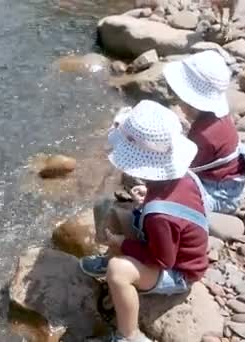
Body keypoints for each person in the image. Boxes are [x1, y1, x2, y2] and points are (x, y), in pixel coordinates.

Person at [80, 100, 209, 342]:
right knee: (110, 208)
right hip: (165, 240)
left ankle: (129, 334)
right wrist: (145, 199)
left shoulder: (159, 216)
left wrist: (123, 245)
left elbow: (163, 259)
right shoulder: (180, 177)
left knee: (118, 271)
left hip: (178, 271)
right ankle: (108, 261)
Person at [163, 50, 245, 214]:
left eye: (178, 96)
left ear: (190, 101)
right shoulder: (216, 118)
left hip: (220, 194)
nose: (177, 101)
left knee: (165, 195)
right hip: (228, 179)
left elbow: (181, 169)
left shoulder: (203, 135)